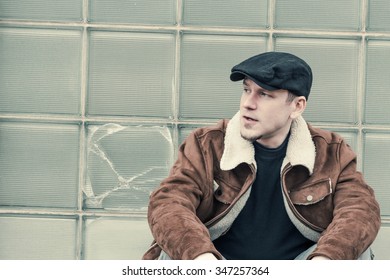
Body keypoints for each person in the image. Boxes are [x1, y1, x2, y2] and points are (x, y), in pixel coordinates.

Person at [142, 52, 381, 260]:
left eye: (264, 94)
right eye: (247, 90)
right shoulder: (207, 143)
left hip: (299, 267)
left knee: (355, 254)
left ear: (297, 106)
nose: (248, 103)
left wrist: (325, 261)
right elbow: (169, 202)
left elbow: (360, 210)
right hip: (221, 265)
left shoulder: (331, 151)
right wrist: (201, 257)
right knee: (174, 255)